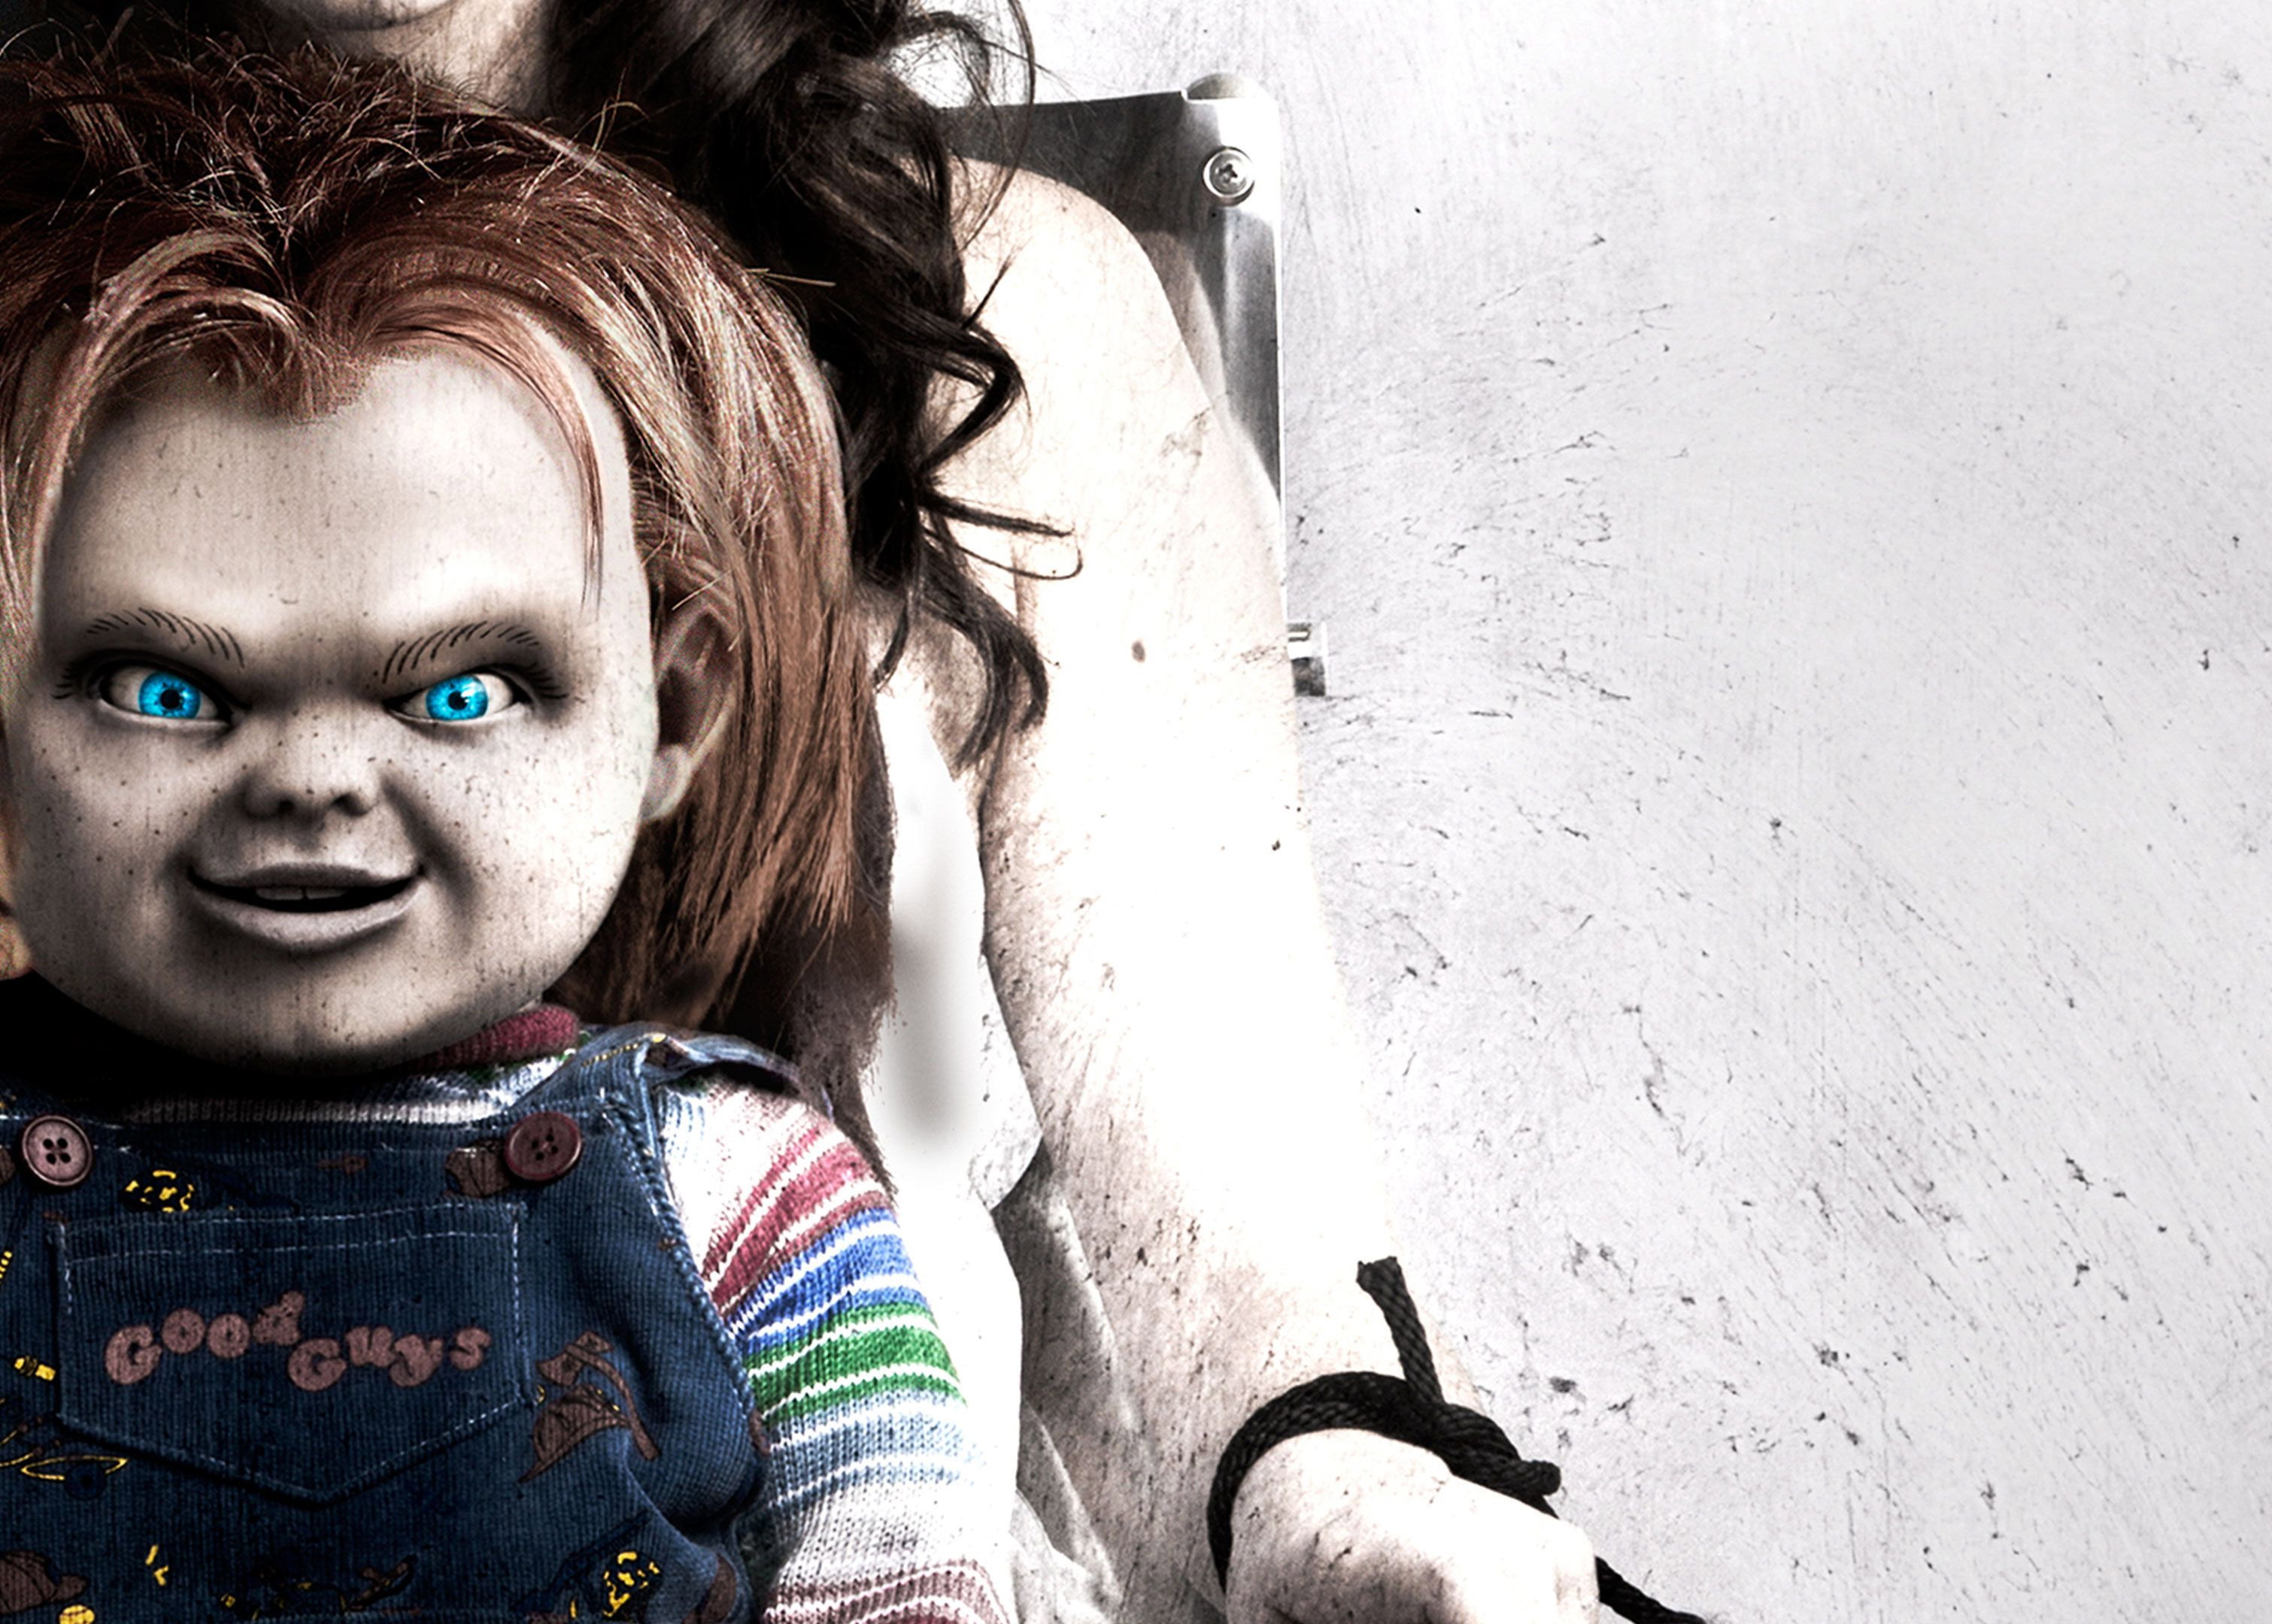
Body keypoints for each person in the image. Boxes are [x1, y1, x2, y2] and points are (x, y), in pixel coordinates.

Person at [0, 3, 1621, 1622]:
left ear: (680, 701)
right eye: (163, 687)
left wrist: (1352, 1489)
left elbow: (1238, 1218)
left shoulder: (1008, 304)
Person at [0, 48, 1011, 1619]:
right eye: (165, 688)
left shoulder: (735, 1187)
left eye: (462, 694)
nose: (311, 780)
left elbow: (899, 1569)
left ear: (674, 714)